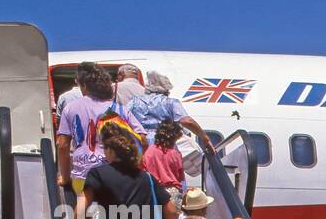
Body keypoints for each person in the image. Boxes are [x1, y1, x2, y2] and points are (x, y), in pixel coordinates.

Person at [55, 65, 145, 196]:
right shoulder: (117, 108)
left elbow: (62, 145)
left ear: (84, 85)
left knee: (82, 213)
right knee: (115, 214)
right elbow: (142, 138)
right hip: (115, 174)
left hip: (83, 175)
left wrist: (65, 177)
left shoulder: (71, 108)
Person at [128, 70, 211, 145]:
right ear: (166, 89)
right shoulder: (171, 102)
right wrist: (205, 138)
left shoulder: (134, 101)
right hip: (163, 144)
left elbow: (122, 117)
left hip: (139, 142)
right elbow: (187, 121)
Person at [143, 119, 186, 207]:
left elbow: (144, 171)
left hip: (154, 191)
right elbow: (180, 177)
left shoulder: (149, 151)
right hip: (173, 192)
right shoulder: (175, 154)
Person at [179, 187, 250, 219]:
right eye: (205, 209)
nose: (206, 211)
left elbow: (183, 205)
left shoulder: (181, 217)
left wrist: (187, 195)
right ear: (201, 210)